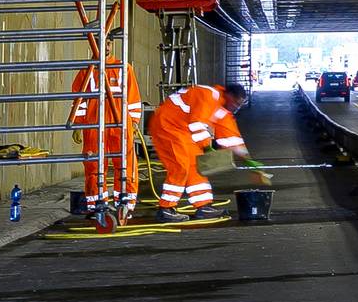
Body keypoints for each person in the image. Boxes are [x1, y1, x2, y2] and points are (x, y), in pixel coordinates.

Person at [151, 81, 259, 219]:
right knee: (180, 165)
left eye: (239, 105)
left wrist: (249, 161)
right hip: (168, 126)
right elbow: (197, 124)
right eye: (236, 103)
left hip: (182, 130)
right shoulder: (208, 95)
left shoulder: (222, 110)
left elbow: (231, 138)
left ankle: (203, 206)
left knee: (196, 166)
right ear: (228, 95)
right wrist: (207, 147)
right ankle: (166, 208)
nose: (236, 107)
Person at [68, 55, 143, 218]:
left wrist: (134, 121)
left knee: (125, 164)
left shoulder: (124, 68)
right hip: (94, 124)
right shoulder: (87, 70)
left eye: (109, 42)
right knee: (94, 165)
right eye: (103, 42)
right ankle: (97, 205)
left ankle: (125, 204)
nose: (106, 46)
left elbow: (133, 97)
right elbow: (79, 99)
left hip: (121, 124)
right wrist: (78, 124)